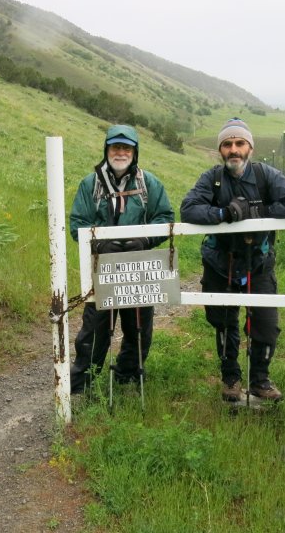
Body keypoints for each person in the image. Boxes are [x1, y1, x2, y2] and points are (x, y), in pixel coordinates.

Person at [180, 118, 285, 402]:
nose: (234, 149)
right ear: (220, 149)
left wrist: (260, 212)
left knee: (266, 323)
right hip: (220, 263)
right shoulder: (212, 178)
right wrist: (225, 214)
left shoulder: (266, 176)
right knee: (223, 323)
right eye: (227, 144)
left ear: (250, 147)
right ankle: (230, 379)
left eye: (240, 143)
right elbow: (189, 209)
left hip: (259, 262)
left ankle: (260, 381)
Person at [69, 124, 175, 395]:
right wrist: (100, 243)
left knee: (138, 327)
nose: (121, 153)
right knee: (95, 329)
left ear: (135, 152)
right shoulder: (90, 184)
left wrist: (146, 239)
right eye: (116, 147)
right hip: (103, 269)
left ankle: (128, 377)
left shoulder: (149, 183)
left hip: (139, 268)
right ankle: (82, 385)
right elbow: (78, 223)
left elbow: (165, 217)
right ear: (106, 149)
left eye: (126, 148)